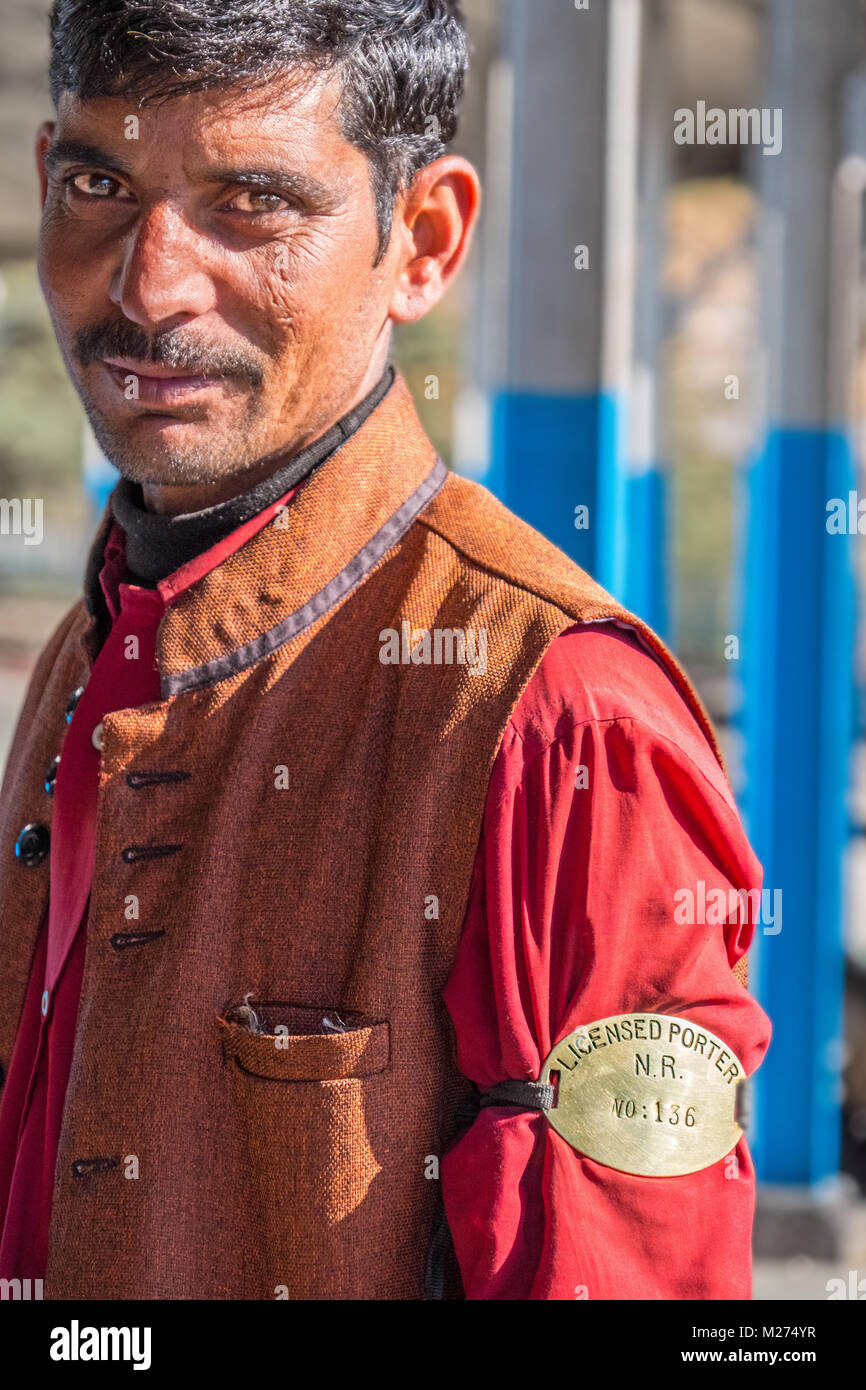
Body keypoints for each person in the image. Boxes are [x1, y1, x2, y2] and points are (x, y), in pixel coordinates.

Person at [0, 0, 770, 1301]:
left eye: (252, 201)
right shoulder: (95, 642)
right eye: (101, 183)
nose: (148, 285)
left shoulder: (560, 720)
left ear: (422, 240)